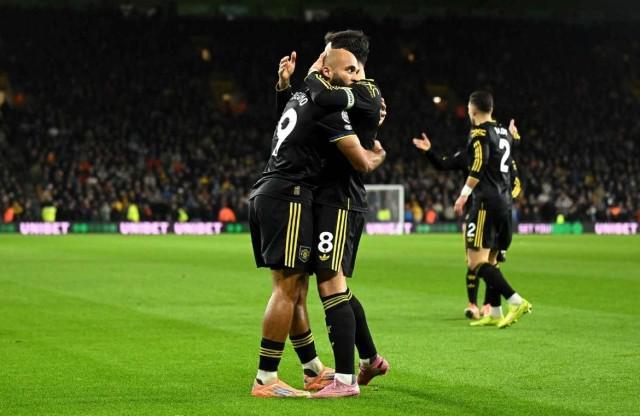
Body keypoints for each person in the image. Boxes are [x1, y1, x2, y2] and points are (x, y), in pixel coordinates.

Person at [249, 47, 386, 398]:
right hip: (290, 194)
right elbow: (360, 161)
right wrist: (374, 156)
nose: (355, 77)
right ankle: (266, 378)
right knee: (289, 288)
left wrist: (284, 86)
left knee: (297, 287)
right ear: (327, 71)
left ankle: (312, 368)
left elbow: (289, 118)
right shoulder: (327, 104)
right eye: (349, 71)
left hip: (272, 190)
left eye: (357, 70)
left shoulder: (300, 97)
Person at [412, 121, 522, 321]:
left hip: (491, 210)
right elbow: (443, 164)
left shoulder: (495, 158)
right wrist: (429, 152)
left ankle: (490, 305)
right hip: (477, 211)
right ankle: (476, 305)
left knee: (487, 261)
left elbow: (516, 183)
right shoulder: (467, 156)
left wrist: (503, 198)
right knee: (476, 262)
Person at [450, 90, 532, 328]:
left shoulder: (479, 133)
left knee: (476, 262)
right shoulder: (504, 132)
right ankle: (495, 312)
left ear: (472, 109)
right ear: (492, 109)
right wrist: (515, 136)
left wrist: (463, 195)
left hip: (486, 202)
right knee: (492, 259)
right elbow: (509, 151)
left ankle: (515, 301)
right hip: (505, 202)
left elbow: (479, 163)